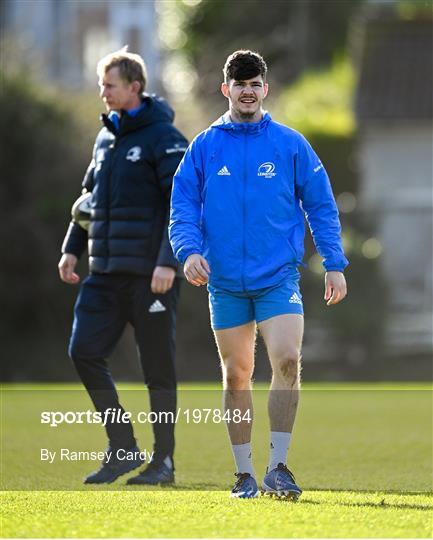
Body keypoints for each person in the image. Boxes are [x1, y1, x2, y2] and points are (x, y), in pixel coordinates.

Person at [169, 50, 348, 499]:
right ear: (225, 88)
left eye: (255, 84)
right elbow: (183, 207)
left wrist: (334, 263)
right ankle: (244, 474)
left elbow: (321, 205)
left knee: (287, 360)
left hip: (277, 278)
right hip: (225, 282)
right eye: (238, 83)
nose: (247, 91)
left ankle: (279, 467)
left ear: (264, 89)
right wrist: (189, 252)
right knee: (237, 375)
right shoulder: (205, 147)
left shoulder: (290, 144)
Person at [58, 47, 188, 485]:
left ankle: (163, 462)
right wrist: (72, 247)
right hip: (105, 273)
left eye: (109, 84)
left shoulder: (165, 138)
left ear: (135, 87)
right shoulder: (104, 139)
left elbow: (183, 205)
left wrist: (168, 261)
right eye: (101, 84)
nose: (102, 92)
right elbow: (87, 203)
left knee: (157, 369)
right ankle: (123, 447)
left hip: (152, 276)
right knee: (84, 352)